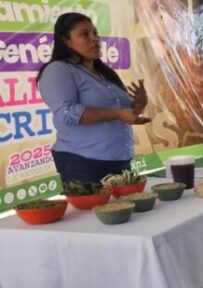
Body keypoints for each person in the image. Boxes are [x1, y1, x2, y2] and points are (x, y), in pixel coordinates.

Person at [38, 12, 150, 184]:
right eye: (85, 34)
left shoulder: (105, 73)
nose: (94, 39)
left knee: (123, 209)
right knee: (93, 211)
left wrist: (139, 104)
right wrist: (117, 115)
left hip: (119, 159)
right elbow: (67, 113)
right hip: (83, 162)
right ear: (66, 41)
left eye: (95, 33)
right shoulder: (58, 70)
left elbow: (125, 112)